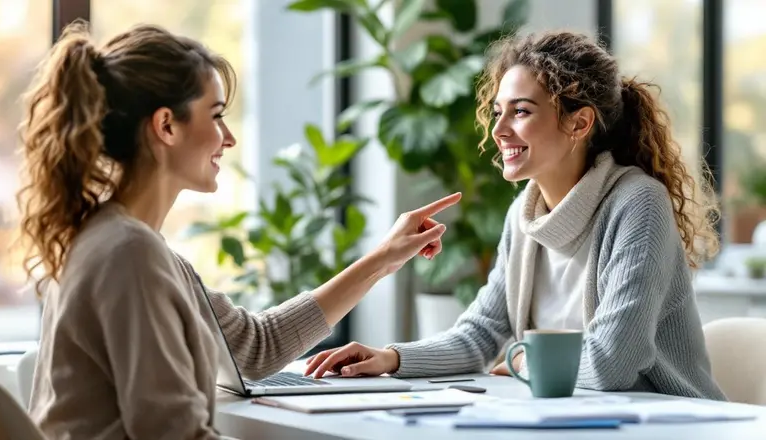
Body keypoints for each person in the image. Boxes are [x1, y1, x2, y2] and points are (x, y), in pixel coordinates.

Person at [16, 21, 460, 440]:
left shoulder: (121, 241)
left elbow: (255, 347)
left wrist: (384, 258)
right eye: (215, 115)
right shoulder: (130, 253)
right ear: (166, 125)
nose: (228, 138)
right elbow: (175, 434)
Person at [304, 30, 727, 401]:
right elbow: (482, 333)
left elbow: (610, 364)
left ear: (579, 124)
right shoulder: (523, 215)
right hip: (574, 418)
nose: (498, 129)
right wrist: (392, 358)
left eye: (520, 111)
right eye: (498, 111)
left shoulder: (638, 204)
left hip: (667, 422)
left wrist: (521, 359)